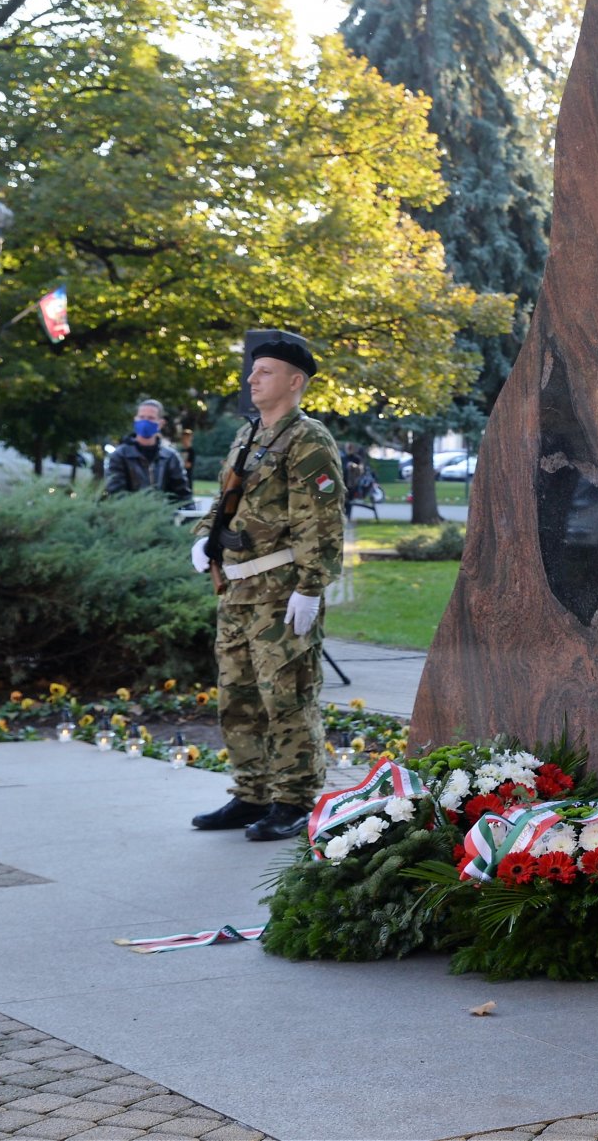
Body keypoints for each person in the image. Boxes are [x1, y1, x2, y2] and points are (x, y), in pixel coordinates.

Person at [188, 333, 344, 842]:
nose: (252, 378)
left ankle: (294, 799)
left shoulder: (308, 440)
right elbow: (225, 498)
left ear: (294, 382)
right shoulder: (249, 434)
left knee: (288, 695)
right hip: (236, 591)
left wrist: (311, 587)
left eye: (265, 372)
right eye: (253, 371)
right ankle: (251, 791)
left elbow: (320, 521)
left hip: (280, 591)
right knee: (238, 696)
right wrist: (203, 539)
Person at [102, 398, 193, 504]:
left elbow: (183, 496)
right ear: (135, 419)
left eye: (150, 418)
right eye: (141, 417)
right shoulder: (120, 455)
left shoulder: (170, 457)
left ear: (161, 423)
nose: (145, 422)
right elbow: (115, 494)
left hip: (162, 517)